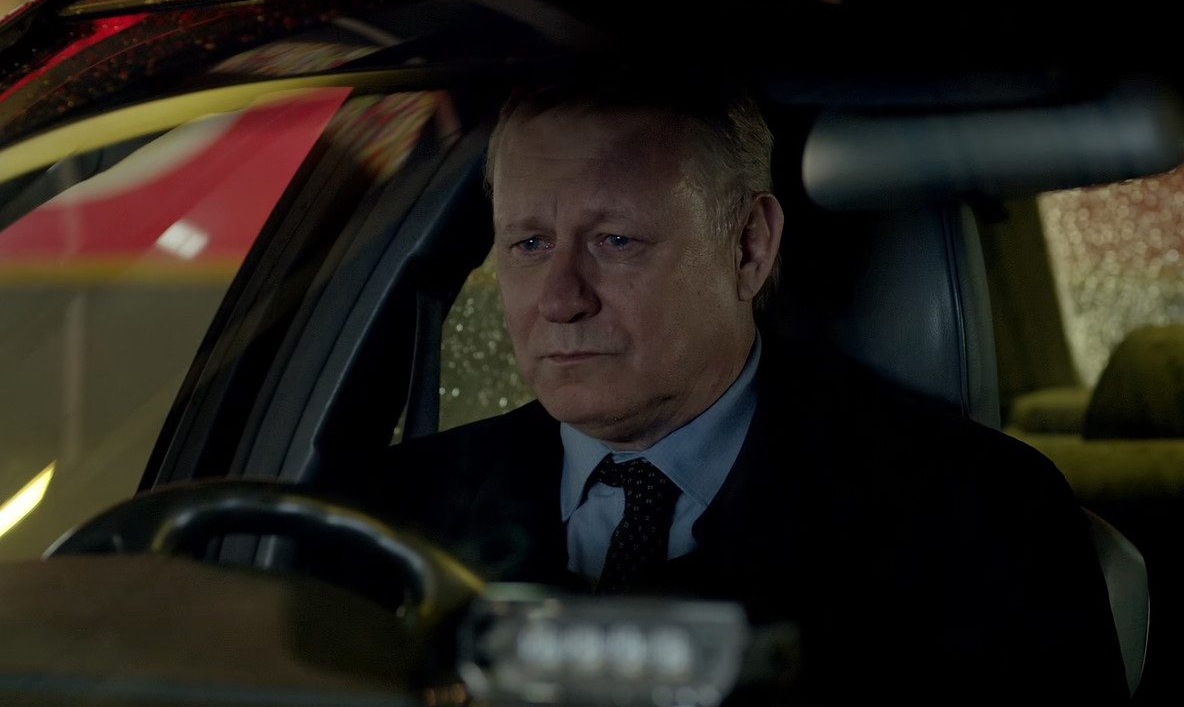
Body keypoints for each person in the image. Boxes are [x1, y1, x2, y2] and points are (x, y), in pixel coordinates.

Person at [328, 72, 1129, 702]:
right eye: (530, 244)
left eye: (615, 240)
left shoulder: (977, 514)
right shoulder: (391, 518)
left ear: (749, 247)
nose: (561, 299)